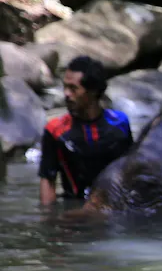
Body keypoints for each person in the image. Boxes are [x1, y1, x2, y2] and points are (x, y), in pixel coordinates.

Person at [38, 55, 132, 205]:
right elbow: (47, 180)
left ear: (93, 91)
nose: (67, 94)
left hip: (114, 208)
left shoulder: (120, 123)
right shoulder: (55, 130)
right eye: (65, 87)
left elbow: (129, 171)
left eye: (73, 88)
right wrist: (48, 220)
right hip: (75, 210)